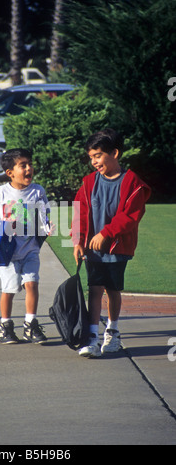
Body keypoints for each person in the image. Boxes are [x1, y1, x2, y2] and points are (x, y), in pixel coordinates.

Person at [72, 129, 151, 357]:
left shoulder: (132, 182)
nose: (93, 161)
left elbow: (130, 216)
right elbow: (80, 212)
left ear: (114, 153)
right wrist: (77, 240)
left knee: (112, 290)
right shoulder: (88, 182)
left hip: (117, 248)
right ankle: (92, 338)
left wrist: (106, 233)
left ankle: (113, 331)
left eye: (97, 155)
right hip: (92, 251)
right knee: (94, 289)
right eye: (91, 157)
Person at [0, 148, 51, 344]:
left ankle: (30, 325)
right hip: (8, 253)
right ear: (10, 173)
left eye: (30, 164)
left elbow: (44, 214)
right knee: (10, 289)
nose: (29, 168)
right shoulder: (1, 192)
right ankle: (5, 326)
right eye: (23, 165)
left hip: (30, 249)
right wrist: (6, 225)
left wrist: (46, 226)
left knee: (32, 283)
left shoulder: (38, 191)